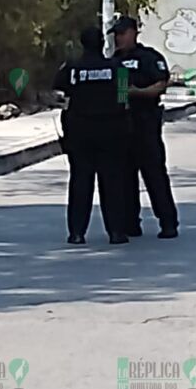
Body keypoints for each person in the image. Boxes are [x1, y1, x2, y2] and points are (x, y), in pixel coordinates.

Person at [53, 27, 131, 246]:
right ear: (102, 44)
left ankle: (77, 233)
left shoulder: (71, 69)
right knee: (112, 182)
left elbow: (58, 91)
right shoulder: (118, 68)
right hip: (111, 131)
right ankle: (116, 232)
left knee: (80, 181)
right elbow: (125, 97)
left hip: (80, 132)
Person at [111, 16, 179, 239]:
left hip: (146, 123)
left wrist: (136, 93)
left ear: (133, 32)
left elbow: (161, 85)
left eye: (122, 33)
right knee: (124, 177)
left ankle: (168, 222)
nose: (119, 38)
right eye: (116, 35)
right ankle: (131, 222)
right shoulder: (114, 61)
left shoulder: (149, 58)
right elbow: (117, 91)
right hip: (122, 124)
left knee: (155, 175)